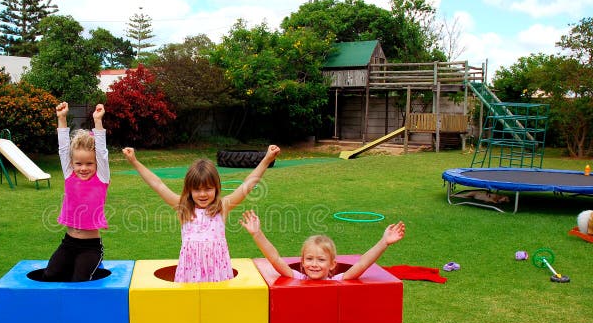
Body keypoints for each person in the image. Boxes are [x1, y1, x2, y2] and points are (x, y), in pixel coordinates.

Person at [122, 145, 281, 282]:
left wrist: (267, 159)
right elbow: (157, 184)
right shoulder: (183, 207)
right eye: (197, 189)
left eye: (208, 189)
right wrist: (135, 162)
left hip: (218, 275)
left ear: (216, 188)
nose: (203, 194)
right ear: (189, 190)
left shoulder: (222, 207)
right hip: (189, 275)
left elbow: (247, 185)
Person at [43, 102, 109, 281]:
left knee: (79, 279)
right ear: (72, 164)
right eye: (79, 164)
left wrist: (97, 121)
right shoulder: (69, 175)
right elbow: (63, 149)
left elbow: (102, 153)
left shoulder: (101, 178)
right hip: (68, 243)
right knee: (51, 274)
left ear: (96, 164)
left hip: (91, 246)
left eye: (89, 164)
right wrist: (62, 118)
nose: (83, 168)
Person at [240, 209, 405, 280]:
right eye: (309, 259)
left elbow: (362, 264)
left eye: (321, 260)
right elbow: (275, 259)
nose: (314, 264)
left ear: (332, 264)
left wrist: (384, 242)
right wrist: (257, 234)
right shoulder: (297, 277)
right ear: (302, 262)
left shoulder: (338, 280)